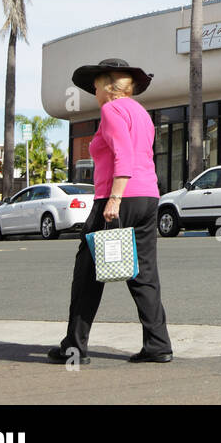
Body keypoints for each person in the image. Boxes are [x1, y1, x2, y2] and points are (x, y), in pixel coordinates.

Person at [48, 57, 173, 364]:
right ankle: (158, 344)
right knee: (144, 275)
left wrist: (115, 199)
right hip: (148, 198)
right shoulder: (142, 113)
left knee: (87, 275)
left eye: (95, 86)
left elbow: (123, 155)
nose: (93, 91)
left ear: (107, 86)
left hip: (119, 198)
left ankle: (74, 347)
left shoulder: (111, 109)